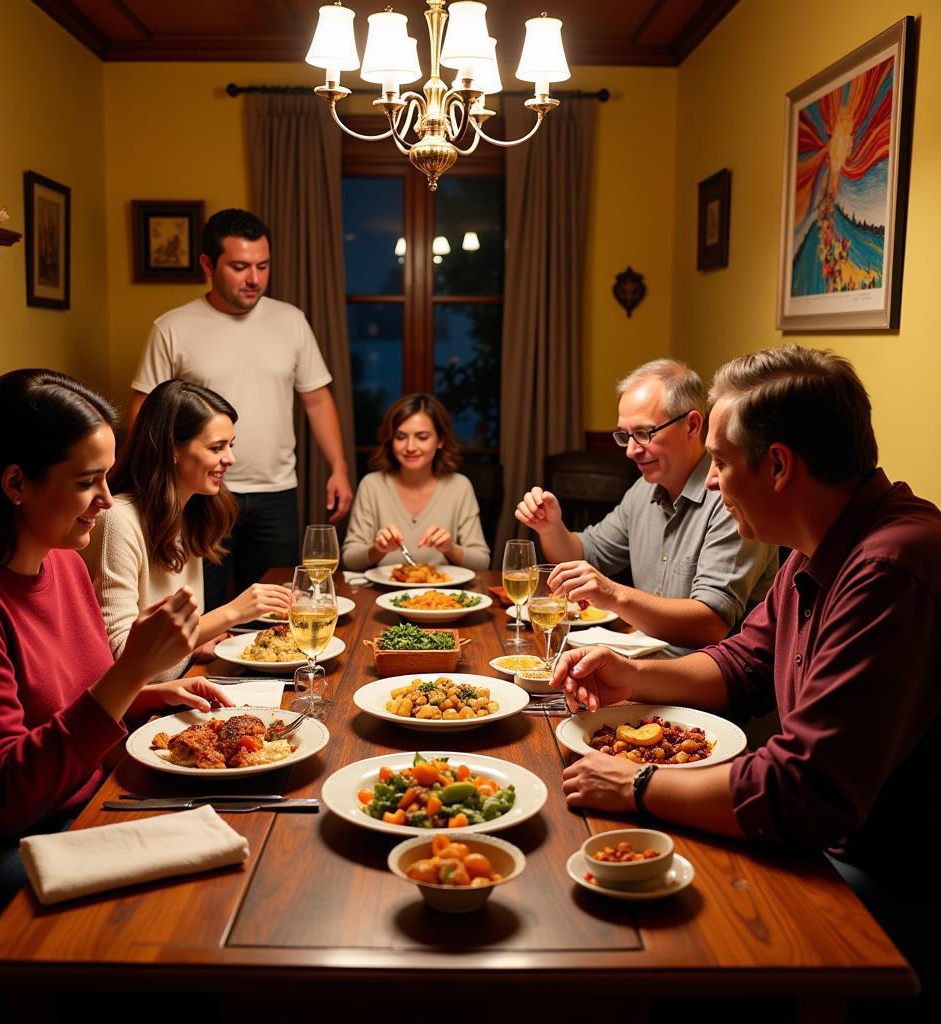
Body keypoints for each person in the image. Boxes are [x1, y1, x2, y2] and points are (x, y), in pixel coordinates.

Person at [555, 346, 940, 997]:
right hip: (816, 835)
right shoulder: (819, 539)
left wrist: (637, 783)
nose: (710, 482)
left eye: (724, 463)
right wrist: (633, 676)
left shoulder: (889, 566)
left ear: (780, 465)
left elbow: (803, 788)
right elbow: (746, 661)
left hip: (881, 882)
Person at [0, 370, 233, 1011]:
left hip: (75, 809)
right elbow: (6, 797)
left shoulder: (60, 557)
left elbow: (68, 703)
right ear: (14, 485)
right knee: (162, 954)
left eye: (107, 478)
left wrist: (149, 697)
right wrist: (131, 674)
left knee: (224, 898)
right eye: (88, 482)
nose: (107, 502)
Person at [129, 208, 353, 610]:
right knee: (204, 609)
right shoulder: (172, 327)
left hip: (276, 492)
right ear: (208, 264)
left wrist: (338, 467)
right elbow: (146, 411)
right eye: (240, 266)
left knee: (278, 610)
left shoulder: (292, 321)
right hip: (201, 493)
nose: (254, 279)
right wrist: (150, 483)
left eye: (263, 266)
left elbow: (317, 399)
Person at [516, 358, 777, 654]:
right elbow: (585, 554)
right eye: (625, 436)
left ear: (692, 425)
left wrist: (613, 593)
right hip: (645, 662)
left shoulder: (730, 498)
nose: (630, 450)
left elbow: (710, 624)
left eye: (644, 433)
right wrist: (550, 527)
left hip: (708, 683)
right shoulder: (645, 488)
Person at [82, 379, 290, 679]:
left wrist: (192, 647)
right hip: (138, 715)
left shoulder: (190, 514)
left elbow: (170, 643)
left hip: (182, 682)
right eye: (216, 447)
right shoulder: (118, 520)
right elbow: (122, 658)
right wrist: (230, 613)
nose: (230, 459)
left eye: (230, 446)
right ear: (172, 450)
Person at [342, 393, 490, 570]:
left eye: (422, 437)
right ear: (390, 440)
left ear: (440, 440)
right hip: (380, 595)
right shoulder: (372, 485)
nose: (410, 447)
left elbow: (482, 563)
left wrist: (450, 549)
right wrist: (378, 549)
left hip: (442, 596)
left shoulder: (459, 486)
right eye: (400, 437)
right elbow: (349, 560)